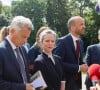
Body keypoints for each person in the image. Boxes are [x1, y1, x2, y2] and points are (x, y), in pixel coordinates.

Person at [0, 16, 35, 90]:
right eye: (23, 37)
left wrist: (35, 83)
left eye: (27, 37)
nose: (26, 41)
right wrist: (23, 87)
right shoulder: (1, 51)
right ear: (12, 31)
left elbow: (24, 74)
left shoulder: (22, 49)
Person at [53, 16, 88, 90]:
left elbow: (78, 61)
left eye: (84, 24)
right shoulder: (62, 42)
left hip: (77, 83)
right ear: (72, 27)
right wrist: (78, 68)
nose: (84, 26)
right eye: (81, 24)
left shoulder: (80, 42)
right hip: (65, 83)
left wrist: (85, 65)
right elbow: (57, 63)